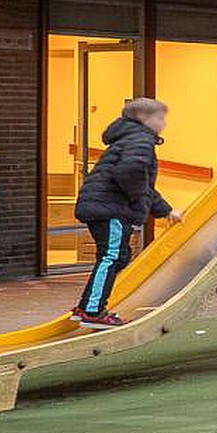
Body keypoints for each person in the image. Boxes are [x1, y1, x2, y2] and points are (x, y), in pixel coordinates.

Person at [72, 96, 172, 329]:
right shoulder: (140, 140)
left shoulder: (129, 138)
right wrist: (138, 201)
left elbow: (142, 184)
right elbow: (131, 173)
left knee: (118, 257)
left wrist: (164, 210)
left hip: (104, 205)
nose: (164, 123)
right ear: (143, 118)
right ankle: (92, 311)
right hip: (110, 208)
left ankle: (87, 306)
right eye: (160, 117)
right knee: (111, 257)